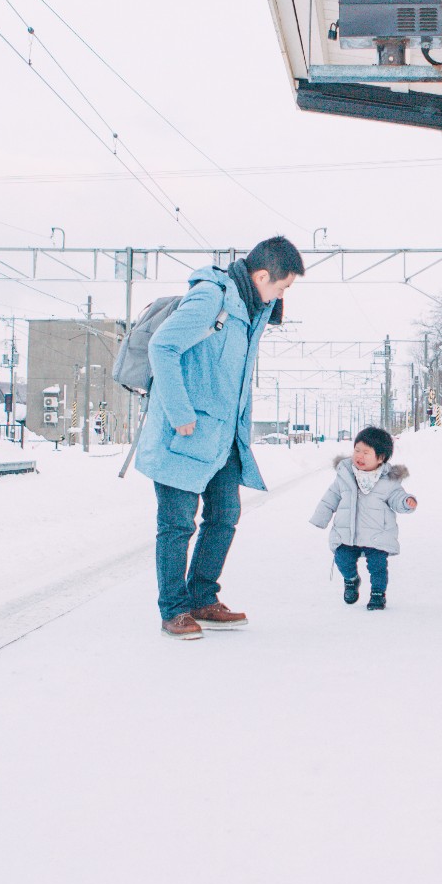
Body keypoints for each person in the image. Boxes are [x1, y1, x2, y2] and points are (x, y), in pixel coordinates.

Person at [135, 236, 303, 640]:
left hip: (223, 435)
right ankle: (174, 609)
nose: (281, 297)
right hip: (184, 432)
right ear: (261, 275)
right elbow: (163, 346)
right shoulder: (211, 299)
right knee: (177, 525)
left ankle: (202, 598)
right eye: (280, 287)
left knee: (224, 516)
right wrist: (180, 412)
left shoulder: (252, 307)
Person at [308, 425, 418, 611]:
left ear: (381, 458)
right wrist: (321, 517)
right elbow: (330, 498)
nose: (359, 456)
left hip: (377, 534)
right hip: (347, 533)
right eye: (357, 450)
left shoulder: (389, 481)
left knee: (377, 566)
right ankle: (351, 580)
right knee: (341, 558)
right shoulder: (345, 476)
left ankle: (377, 594)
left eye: (366, 452)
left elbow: (397, 497)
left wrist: (407, 502)